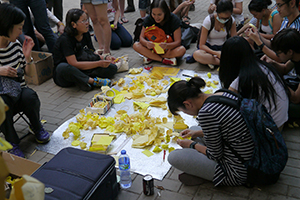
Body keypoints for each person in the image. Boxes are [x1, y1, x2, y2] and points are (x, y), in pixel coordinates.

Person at [167, 76, 254, 186]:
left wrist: (191, 145)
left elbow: (215, 155)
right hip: (247, 151)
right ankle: (202, 172)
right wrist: (197, 133)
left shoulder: (206, 113)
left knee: (174, 157)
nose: (186, 113)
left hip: (238, 169)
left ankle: (211, 177)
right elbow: (226, 127)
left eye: (183, 111)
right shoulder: (220, 93)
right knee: (194, 130)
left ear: (187, 104)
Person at [0, 3, 50, 158]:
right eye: (19, 28)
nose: (21, 32)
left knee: (30, 96)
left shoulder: (15, 45)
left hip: (17, 91)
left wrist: (27, 57)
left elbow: (27, 74)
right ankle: (12, 142)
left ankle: (36, 127)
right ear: (7, 26)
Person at [219, 36, 289, 130]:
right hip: (281, 120)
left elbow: (224, 108)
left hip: (269, 130)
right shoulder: (261, 66)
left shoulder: (240, 81)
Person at [52, 8, 117, 92]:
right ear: (73, 24)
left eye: (87, 20)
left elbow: (92, 53)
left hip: (82, 67)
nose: (87, 23)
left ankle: (83, 80)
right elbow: (73, 63)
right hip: (67, 73)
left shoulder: (85, 33)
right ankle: (93, 81)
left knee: (112, 68)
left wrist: (104, 58)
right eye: (83, 21)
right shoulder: (65, 39)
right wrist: (98, 63)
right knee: (63, 67)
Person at [133, 0, 186, 66]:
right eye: (153, 14)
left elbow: (178, 42)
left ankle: (152, 57)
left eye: (159, 14)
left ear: (165, 12)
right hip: (152, 49)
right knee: (136, 45)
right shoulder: (149, 19)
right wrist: (147, 43)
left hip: (168, 49)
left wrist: (167, 45)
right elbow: (141, 38)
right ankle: (163, 60)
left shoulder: (174, 19)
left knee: (181, 50)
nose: (156, 17)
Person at [193, 0, 236, 69]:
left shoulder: (231, 21)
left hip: (223, 48)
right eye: (222, 18)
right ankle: (222, 62)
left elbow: (235, 40)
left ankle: (213, 62)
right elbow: (201, 45)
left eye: (227, 18)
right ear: (217, 12)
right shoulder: (209, 20)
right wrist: (216, 53)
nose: (224, 21)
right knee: (197, 54)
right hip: (209, 49)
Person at [268, 28, 300, 118]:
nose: (277, 56)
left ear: (290, 52)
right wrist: (272, 63)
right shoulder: (296, 56)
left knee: (279, 107)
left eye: (278, 53)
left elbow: (296, 98)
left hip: (297, 100)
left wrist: (278, 81)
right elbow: (285, 68)